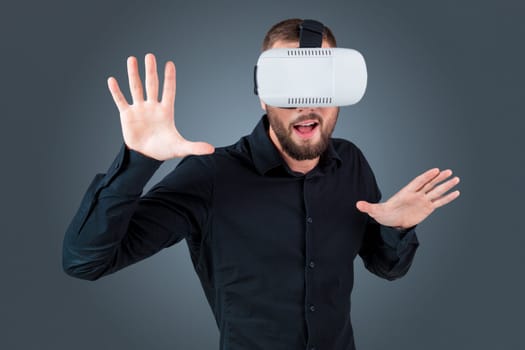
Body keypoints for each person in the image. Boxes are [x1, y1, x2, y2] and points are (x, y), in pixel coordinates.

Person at [63, 18, 460, 350]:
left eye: (321, 84)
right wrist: (139, 160)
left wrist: (396, 226)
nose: (306, 104)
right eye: (289, 86)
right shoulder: (211, 176)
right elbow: (85, 261)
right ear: (262, 97)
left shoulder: (351, 163)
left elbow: (386, 267)